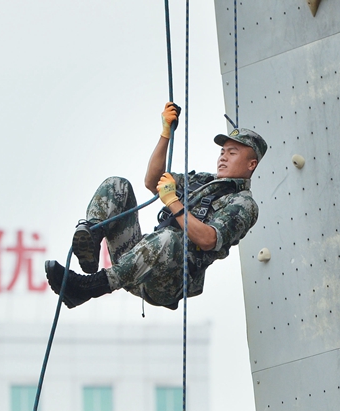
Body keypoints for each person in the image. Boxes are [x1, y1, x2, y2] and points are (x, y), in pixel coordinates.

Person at [44, 102, 268, 310]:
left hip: (170, 279)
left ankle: (91, 287)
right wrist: (165, 135)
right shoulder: (202, 181)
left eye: (232, 153)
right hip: (139, 260)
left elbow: (209, 239)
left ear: (251, 164)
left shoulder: (243, 203)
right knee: (117, 185)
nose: (223, 157)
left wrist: (173, 202)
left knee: (169, 237)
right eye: (222, 152)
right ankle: (91, 243)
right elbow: (153, 181)